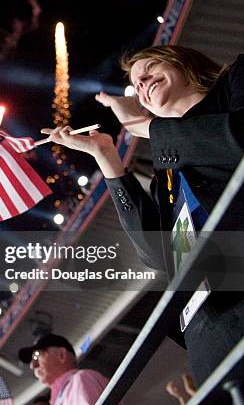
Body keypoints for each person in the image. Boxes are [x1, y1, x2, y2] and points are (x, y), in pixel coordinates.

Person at [40, 45, 244, 385]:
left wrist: (149, 128)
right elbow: (156, 253)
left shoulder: (236, 79)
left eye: (151, 67)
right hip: (211, 325)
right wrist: (107, 159)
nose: (143, 80)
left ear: (184, 62)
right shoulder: (166, 172)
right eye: (137, 82)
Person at [18, 334, 118, 405]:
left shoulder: (80, 379)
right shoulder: (61, 396)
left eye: (37, 355)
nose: (33, 366)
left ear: (61, 355)